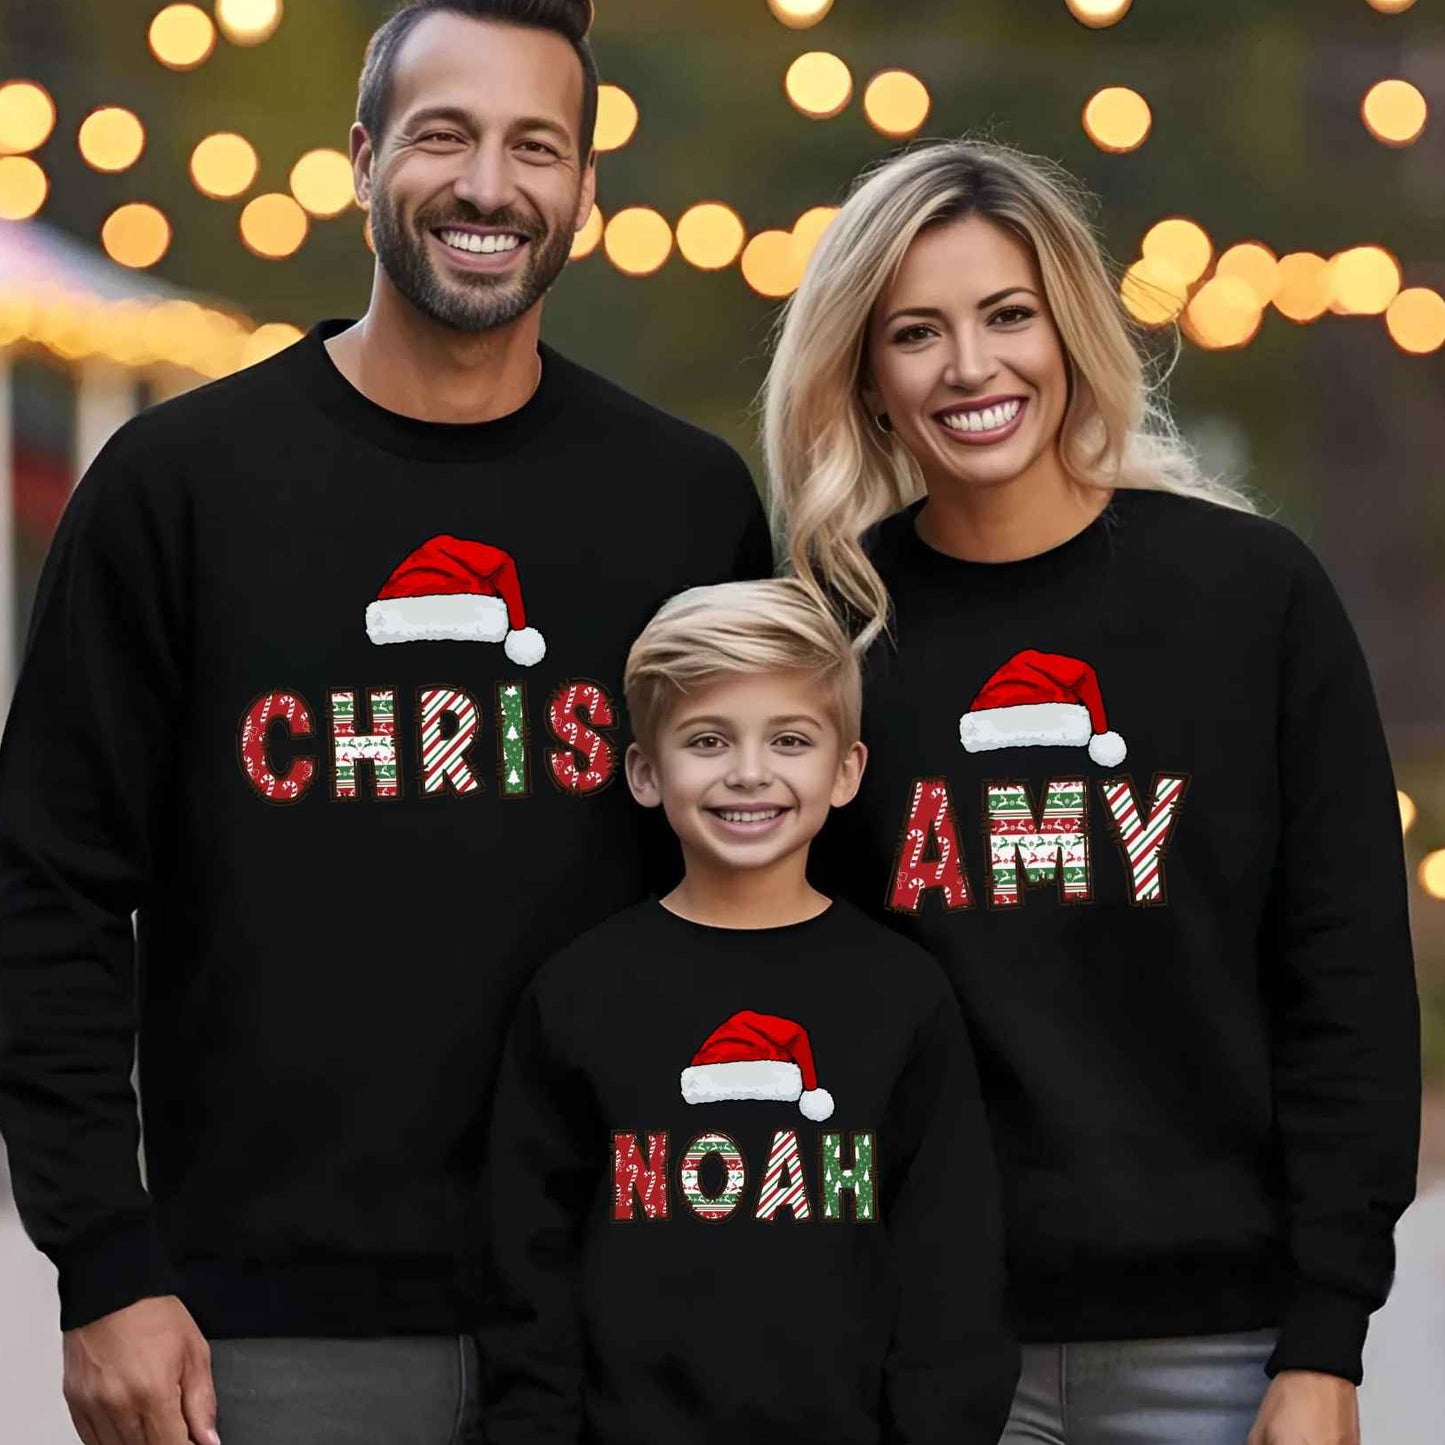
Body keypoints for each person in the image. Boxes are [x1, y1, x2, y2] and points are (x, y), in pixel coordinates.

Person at [0, 3, 769, 1443]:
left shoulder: (684, 508)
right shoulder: (181, 492)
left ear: (585, 191)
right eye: (443, 135)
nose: (490, 184)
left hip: (623, 1316)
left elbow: (770, 888)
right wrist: (102, 1262)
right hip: (268, 1341)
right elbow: (48, 887)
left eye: (536, 145)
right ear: (359, 160)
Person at [762, 139, 1420, 1445]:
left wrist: (1324, 1342)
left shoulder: (1249, 600)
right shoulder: (829, 641)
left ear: (1067, 327)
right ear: (868, 375)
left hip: (1217, 1346)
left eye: (1007, 315)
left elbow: (1345, 985)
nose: (971, 367)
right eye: (916, 331)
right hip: (924, 1348)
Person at [479, 578, 1018, 1445]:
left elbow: (948, 1268)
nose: (748, 772)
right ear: (646, 773)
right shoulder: (580, 991)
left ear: (845, 772)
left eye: (791, 739)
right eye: (706, 739)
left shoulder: (901, 992)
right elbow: (527, 1266)